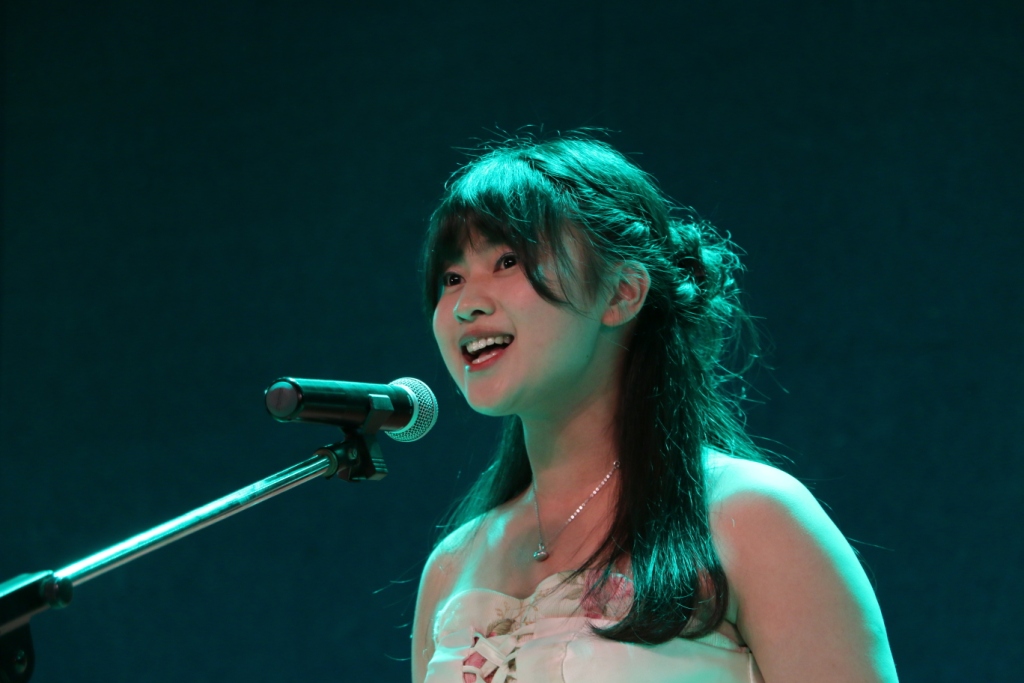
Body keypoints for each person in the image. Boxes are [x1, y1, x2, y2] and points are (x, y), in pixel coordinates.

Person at [412, 135, 898, 682]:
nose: (465, 305)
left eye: (507, 261)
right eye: (451, 278)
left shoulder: (751, 516)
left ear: (622, 292)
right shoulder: (452, 566)